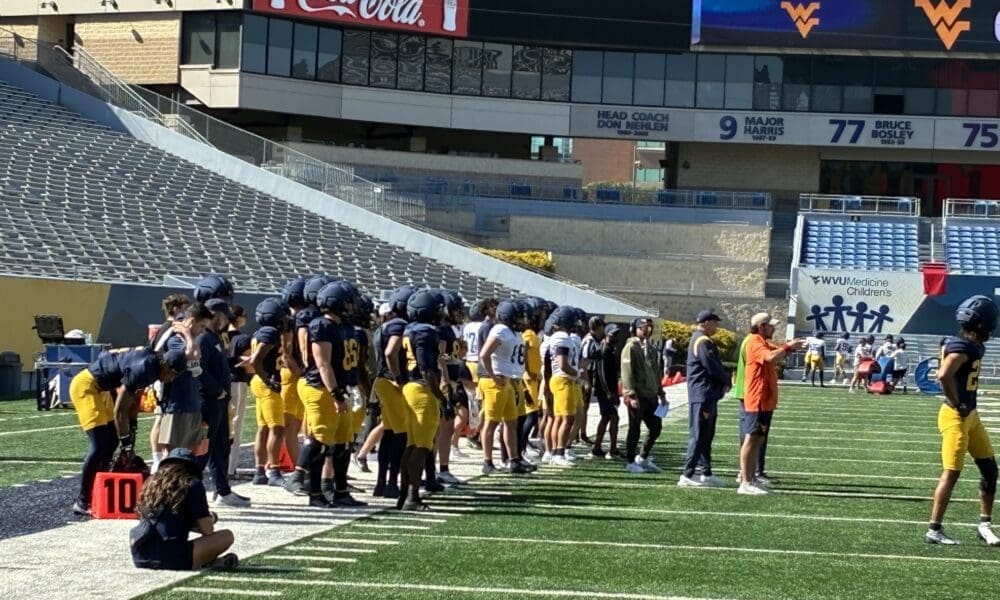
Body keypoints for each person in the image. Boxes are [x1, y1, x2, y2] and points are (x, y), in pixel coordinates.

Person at [70, 347, 187, 516]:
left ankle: (97, 492)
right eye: (173, 373)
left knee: (111, 442)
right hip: (86, 387)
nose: (171, 378)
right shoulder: (145, 368)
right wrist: (127, 444)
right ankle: (82, 501)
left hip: (101, 389)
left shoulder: (152, 366)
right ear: (165, 364)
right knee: (99, 445)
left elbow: (133, 402)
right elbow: (120, 411)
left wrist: (131, 429)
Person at [925, 295, 1000, 545]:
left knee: (990, 470)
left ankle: (984, 525)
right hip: (956, 415)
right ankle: (933, 530)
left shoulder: (970, 344)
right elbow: (944, 375)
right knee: (952, 473)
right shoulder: (962, 347)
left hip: (971, 416)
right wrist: (958, 403)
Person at [285, 283, 355, 507]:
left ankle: (341, 491)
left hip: (338, 388)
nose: (351, 305)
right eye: (347, 301)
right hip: (320, 387)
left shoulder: (343, 326)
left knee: (344, 442)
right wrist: (336, 395)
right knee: (321, 442)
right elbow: (323, 364)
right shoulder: (321, 325)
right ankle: (314, 493)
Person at [130, 448, 237, 570]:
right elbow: (207, 530)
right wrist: (210, 519)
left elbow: (163, 522)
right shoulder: (192, 484)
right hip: (172, 558)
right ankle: (206, 561)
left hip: (140, 555)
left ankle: (211, 562)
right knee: (227, 536)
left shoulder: (150, 483)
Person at [739, 313, 803, 495]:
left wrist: (790, 347)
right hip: (757, 398)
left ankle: (751, 478)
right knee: (751, 439)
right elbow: (770, 357)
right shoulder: (754, 341)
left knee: (758, 439)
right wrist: (789, 346)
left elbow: (778, 351)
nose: (774, 328)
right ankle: (745, 481)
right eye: (771, 326)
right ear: (762, 326)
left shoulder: (762, 341)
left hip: (765, 399)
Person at [399, 290, 449, 510]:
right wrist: (440, 396)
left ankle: (404, 495)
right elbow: (427, 368)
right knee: (421, 447)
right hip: (422, 388)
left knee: (411, 446)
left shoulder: (409, 329)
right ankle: (412, 497)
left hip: (410, 387)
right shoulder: (427, 332)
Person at [197, 299, 249, 508]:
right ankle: (193, 494)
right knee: (203, 451)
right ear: (214, 314)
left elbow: (216, 364)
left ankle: (222, 490)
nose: (227, 319)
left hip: (218, 401)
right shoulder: (203, 338)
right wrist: (216, 390)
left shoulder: (214, 337)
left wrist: (235, 362)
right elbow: (198, 369)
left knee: (220, 448)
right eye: (223, 315)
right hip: (208, 401)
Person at [371, 285, 415, 499]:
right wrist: (398, 377)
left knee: (389, 434)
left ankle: (381, 483)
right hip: (391, 383)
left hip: (382, 381)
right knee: (401, 435)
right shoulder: (399, 325)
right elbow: (391, 352)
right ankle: (391, 483)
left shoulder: (385, 325)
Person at [478, 300, 531, 475]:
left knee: (511, 422)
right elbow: (484, 354)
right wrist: (493, 376)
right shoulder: (500, 330)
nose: (523, 319)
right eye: (520, 316)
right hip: (496, 381)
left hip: (508, 380)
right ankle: (487, 462)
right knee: (491, 422)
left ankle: (513, 460)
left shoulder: (514, 333)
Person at [679, 310, 729, 488]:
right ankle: (687, 474)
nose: (717, 327)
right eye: (715, 323)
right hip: (703, 394)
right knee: (699, 435)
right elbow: (711, 366)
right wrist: (726, 380)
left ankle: (705, 472)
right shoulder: (702, 341)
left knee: (706, 436)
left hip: (706, 394)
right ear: (706, 322)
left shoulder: (701, 339)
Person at [158, 304, 213, 456]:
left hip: (192, 404)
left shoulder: (191, 340)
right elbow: (194, 356)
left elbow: (197, 360)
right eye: (201, 326)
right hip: (177, 405)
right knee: (173, 453)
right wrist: (188, 334)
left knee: (191, 453)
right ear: (192, 321)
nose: (202, 331)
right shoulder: (175, 340)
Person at [249, 298, 292, 487]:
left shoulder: (262, 331)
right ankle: (273, 469)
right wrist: (268, 380)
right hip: (265, 382)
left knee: (264, 428)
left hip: (259, 381)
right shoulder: (271, 332)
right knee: (277, 428)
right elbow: (255, 361)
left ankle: (260, 471)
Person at [149, 293, 191, 472]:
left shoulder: (166, 328)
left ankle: (160, 457)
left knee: (162, 419)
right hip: (163, 376)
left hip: (163, 375)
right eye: (184, 307)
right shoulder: (170, 328)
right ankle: (157, 458)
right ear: (175, 308)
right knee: (161, 419)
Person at [620, 317, 667, 474]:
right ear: (635, 329)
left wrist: (661, 393)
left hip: (651, 395)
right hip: (638, 394)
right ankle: (630, 461)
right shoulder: (631, 347)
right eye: (642, 327)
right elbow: (627, 373)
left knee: (656, 427)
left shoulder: (651, 349)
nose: (646, 330)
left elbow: (656, 373)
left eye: (648, 327)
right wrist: (631, 394)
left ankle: (643, 456)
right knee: (635, 428)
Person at [226, 305, 251, 478]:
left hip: (220, 382)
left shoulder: (218, 335)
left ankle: (217, 463)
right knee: (235, 424)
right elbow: (249, 366)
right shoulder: (243, 339)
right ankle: (230, 467)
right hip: (237, 381)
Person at [591, 324, 623, 459]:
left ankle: (598, 447)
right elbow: (602, 372)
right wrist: (609, 392)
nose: (615, 337)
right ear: (607, 334)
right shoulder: (604, 350)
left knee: (606, 418)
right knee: (613, 418)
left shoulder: (610, 349)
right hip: (605, 391)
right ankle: (612, 448)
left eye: (616, 334)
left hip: (607, 389)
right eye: (613, 335)